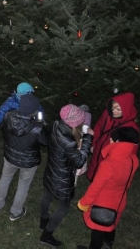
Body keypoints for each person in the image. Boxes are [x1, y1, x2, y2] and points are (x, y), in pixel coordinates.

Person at [76, 127, 140, 249]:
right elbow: (128, 182)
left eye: (112, 139)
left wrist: (83, 202)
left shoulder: (108, 164)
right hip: (119, 201)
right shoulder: (134, 160)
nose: (110, 140)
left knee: (98, 230)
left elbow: (95, 187)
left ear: (119, 142)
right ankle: (108, 243)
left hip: (103, 203)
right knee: (111, 223)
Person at [39, 104, 93, 247]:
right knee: (64, 206)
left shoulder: (56, 125)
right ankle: (46, 235)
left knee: (47, 195)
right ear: (75, 123)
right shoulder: (69, 142)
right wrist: (88, 139)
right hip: (62, 179)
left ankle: (43, 220)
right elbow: (80, 161)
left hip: (51, 171)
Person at [0, 95, 48, 220]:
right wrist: (41, 122)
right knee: (23, 185)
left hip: (10, 156)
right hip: (29, 162)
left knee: (5, 179)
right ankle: (15, 212)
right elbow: (45, 141)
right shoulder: (37, 125)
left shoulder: (8, 116)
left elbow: (5, 132)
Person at [87, 92, 140, 182]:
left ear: (126, 109)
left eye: (118, 109)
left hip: (112, 159)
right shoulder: (107, 114)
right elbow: (99, 127)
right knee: (95, 171)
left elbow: (132, 150)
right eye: (113, 107)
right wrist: (93, 144)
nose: (114, 111)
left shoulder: (131, 128)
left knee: (105, 179)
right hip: (98, 149)